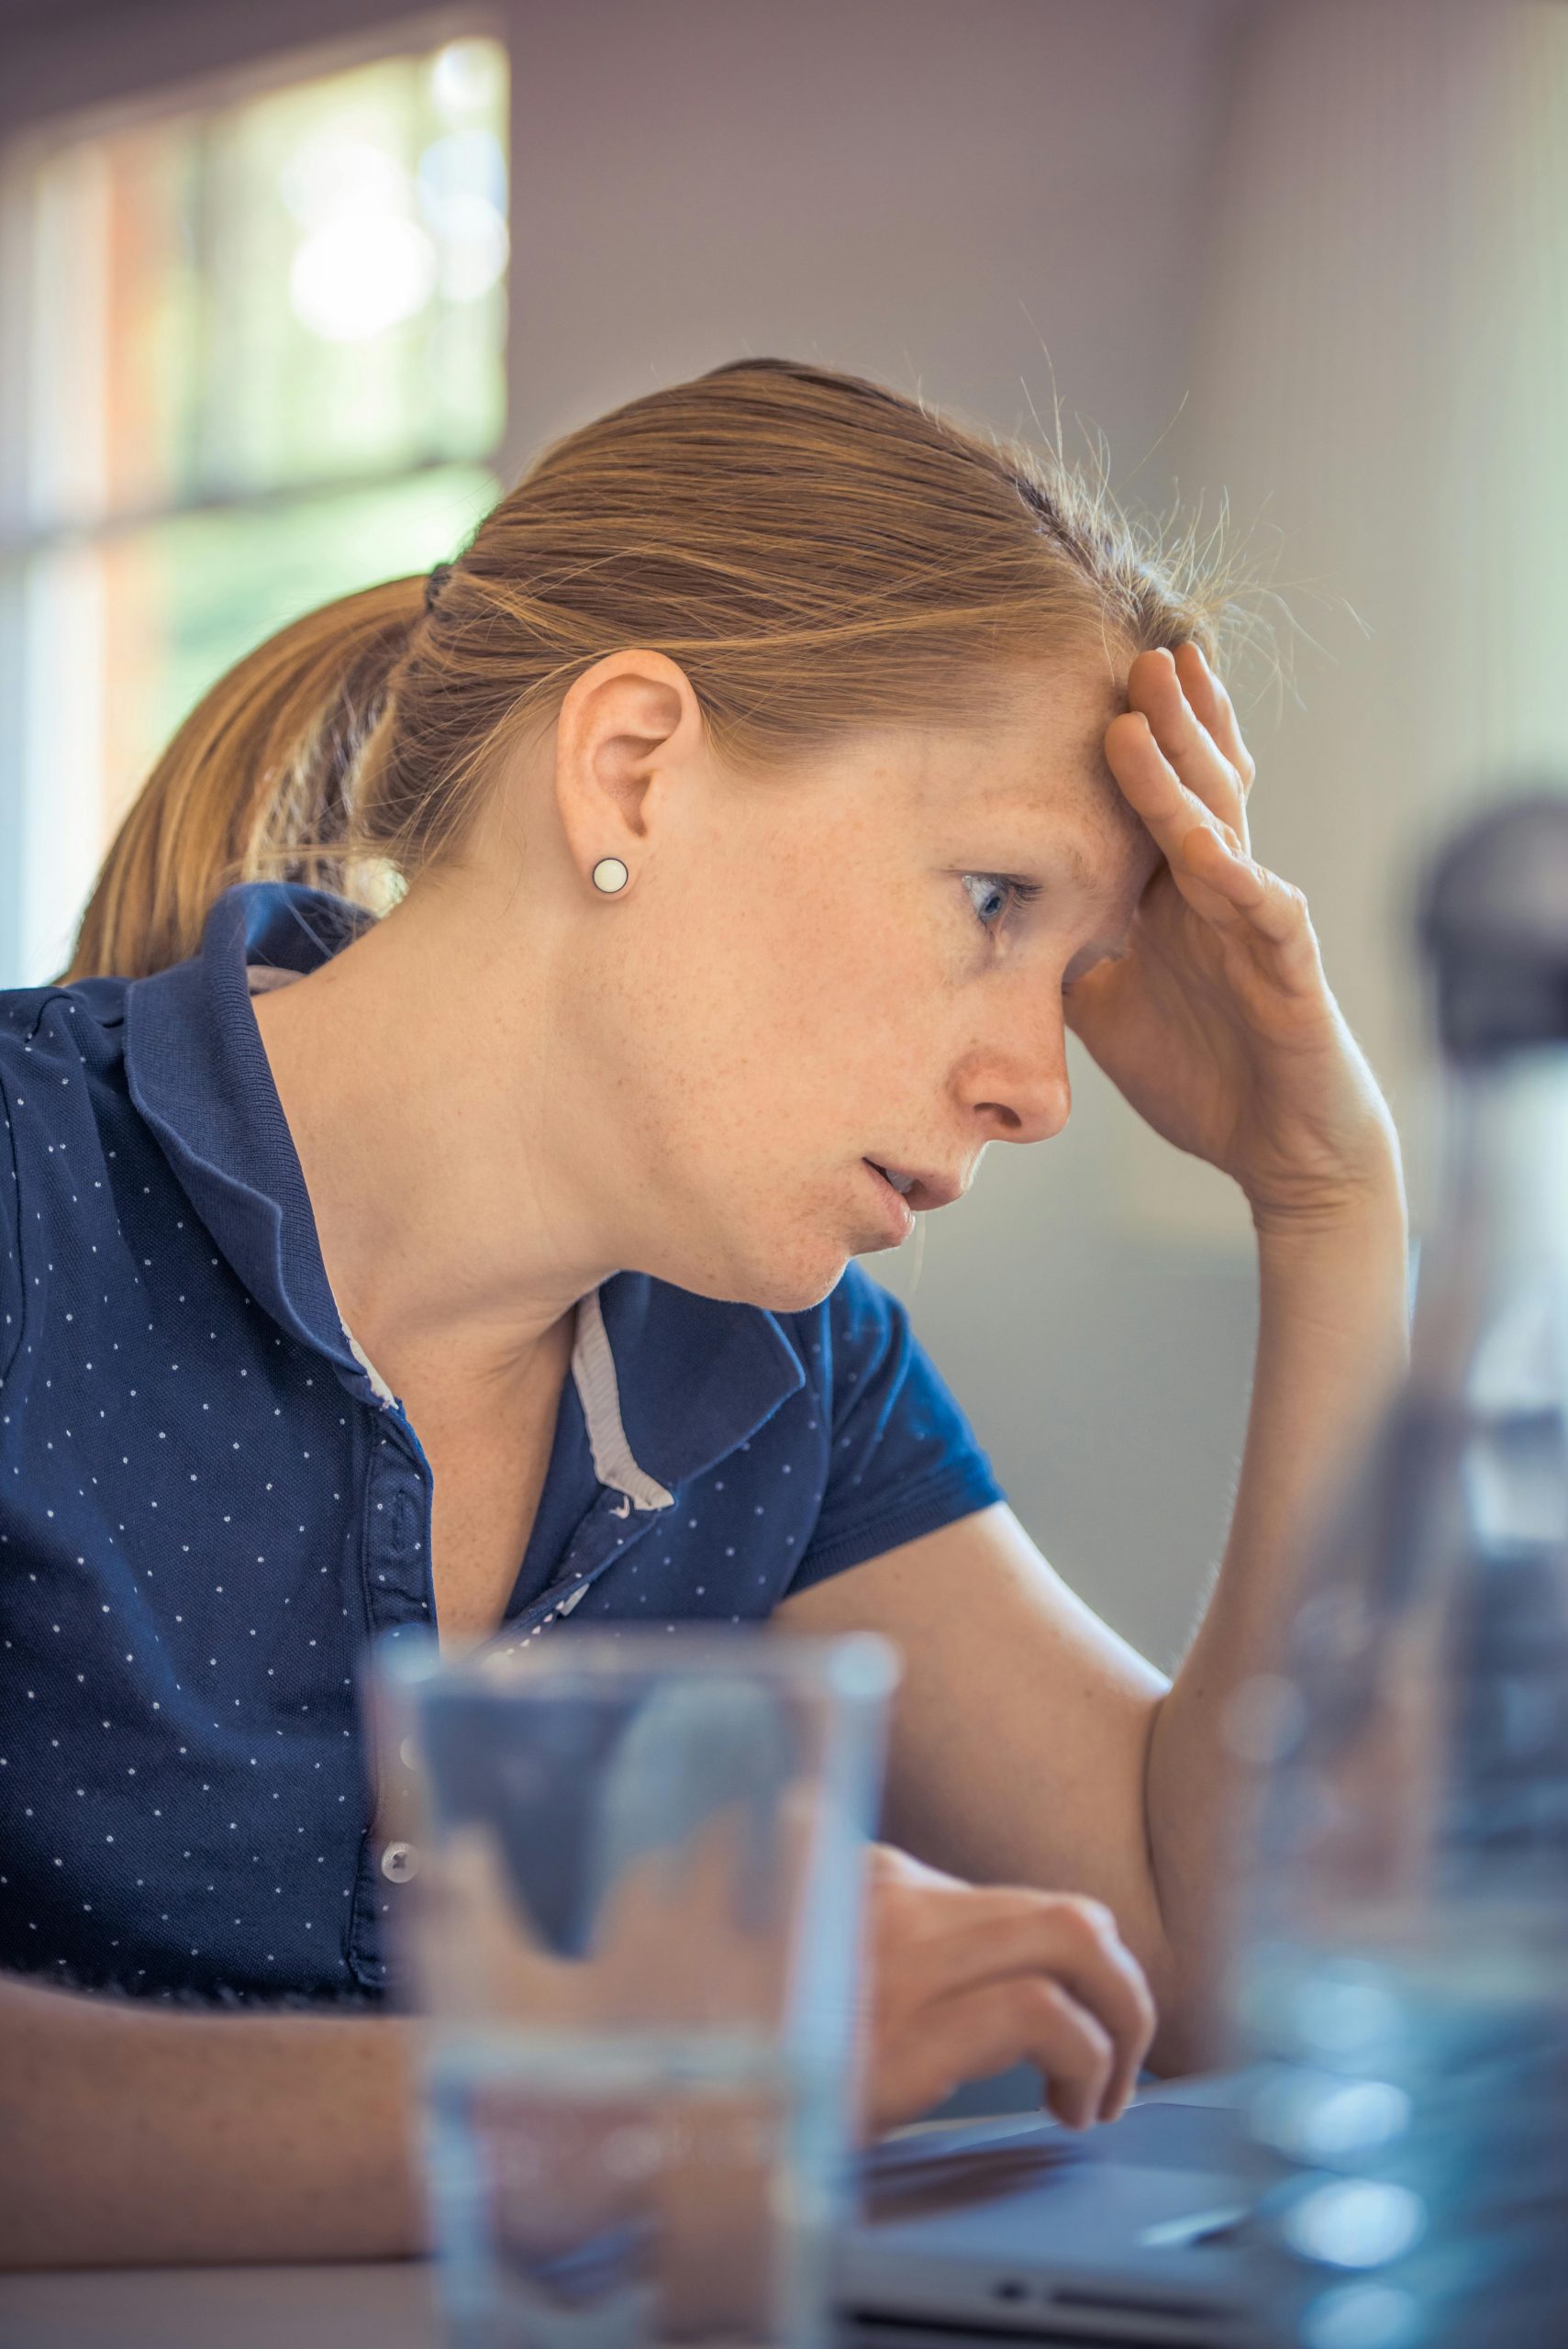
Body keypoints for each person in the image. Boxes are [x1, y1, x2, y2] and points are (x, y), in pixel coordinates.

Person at [0, 356, 1407, 2269]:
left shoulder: (783, 1371)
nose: (1040, 1084)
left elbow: (1215, 1958)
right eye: (994, 894)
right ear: (633, 767)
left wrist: (1329, 1204)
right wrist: (644, 2087)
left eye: (1073, 970)